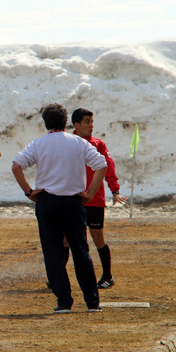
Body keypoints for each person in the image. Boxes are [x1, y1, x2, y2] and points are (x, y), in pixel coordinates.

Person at [11, 103, 107, 313]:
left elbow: (16, 165)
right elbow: (101, 164)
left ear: (45, 122)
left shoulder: (39, 144)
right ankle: (92, 302)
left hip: (48, 201)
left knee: (53, 252)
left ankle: (64, 301)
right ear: (66, 121)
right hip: (74, 201)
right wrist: (90, 193)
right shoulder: (78, 143)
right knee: (81, 252)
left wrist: (29, 192)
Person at [72, 108, 128, 289]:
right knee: (67, 238)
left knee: (97, 238)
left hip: (94, 199)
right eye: (87, 122)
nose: (91, 125)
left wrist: (115, 190)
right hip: (73, 199)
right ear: (76, 125)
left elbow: (108, 166)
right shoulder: (68, 143)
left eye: (92, 121)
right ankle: (57, 275)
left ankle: (107, 276)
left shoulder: (98, 144)